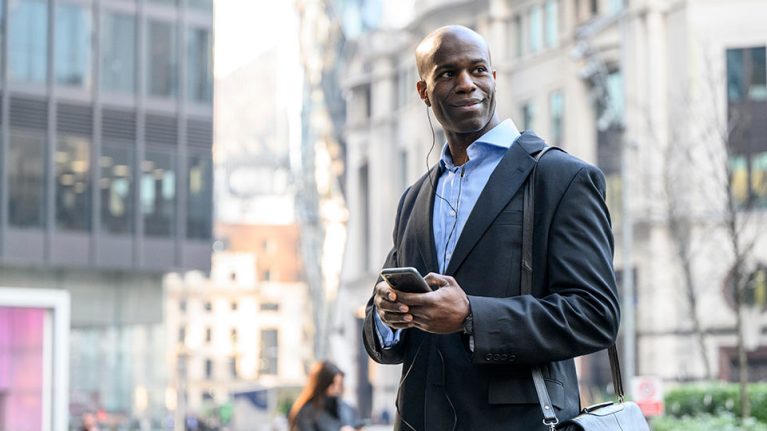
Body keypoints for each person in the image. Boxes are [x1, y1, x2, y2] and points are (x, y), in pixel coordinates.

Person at [362, 25, 621, 430]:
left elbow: (595, 315)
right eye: (448, 73)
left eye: (478, 70)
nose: (467, 84)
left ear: (494, 78)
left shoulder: (561, 178)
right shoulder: (413, 198)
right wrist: (386, 312)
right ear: (423, 91)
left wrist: (471, 316)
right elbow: (383, 338)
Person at [288, 361, 363, 431]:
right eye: (333, 384)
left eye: (339, 384)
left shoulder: (346, 408)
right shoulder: (307, 412)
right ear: (323, 384)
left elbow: (357, 425)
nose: (336, 389)